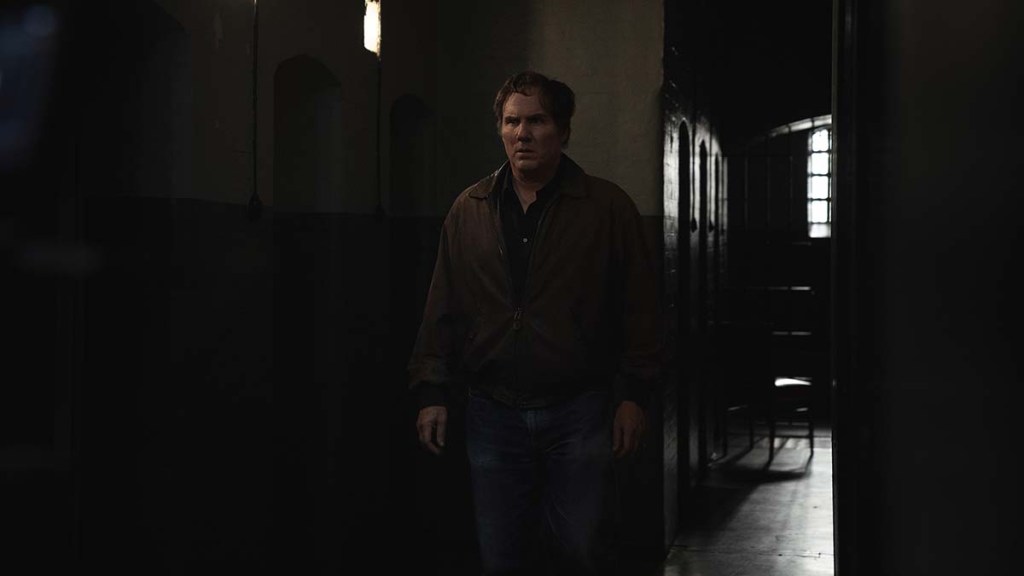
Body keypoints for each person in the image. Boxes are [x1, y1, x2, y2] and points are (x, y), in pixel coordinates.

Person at [407, 70, 661, 576]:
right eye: (511, 121)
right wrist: (430, 389)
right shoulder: (470, 208)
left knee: (579, 548)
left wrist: (634, 394)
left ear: (563, 131)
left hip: (579, 408)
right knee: (501, 553)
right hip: (493, 410)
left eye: (537, 121)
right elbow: (442, 305)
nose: (522, 134)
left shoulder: (606, 208)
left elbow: (640, 309)